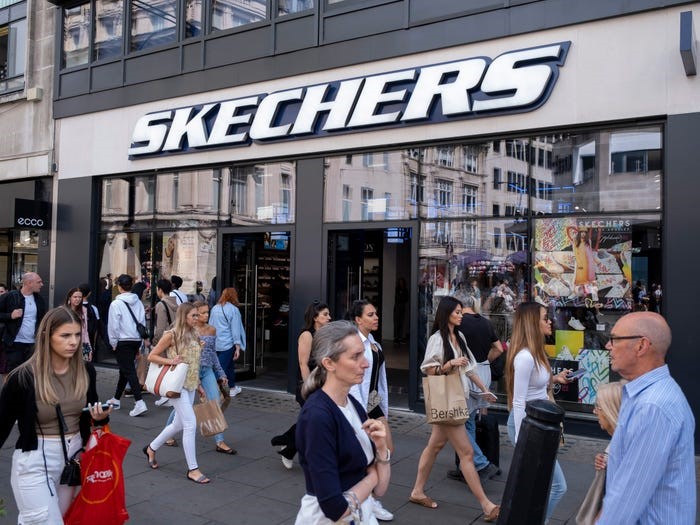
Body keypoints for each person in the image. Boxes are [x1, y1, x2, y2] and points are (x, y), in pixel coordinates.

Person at [0, 306, 111, 523]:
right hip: (34, 460)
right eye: (65, 335)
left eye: (77, 335)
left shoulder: (86, 371)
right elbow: (2, 425)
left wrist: (100, 417)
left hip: (73, 459)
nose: (74, 342)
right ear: (47, 336)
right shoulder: (23, 377)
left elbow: (91, 411)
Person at [597, 312, 695, 524]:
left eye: (614, 339)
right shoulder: (645, 395)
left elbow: (627, 498)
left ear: (641, 346)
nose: (608, 346)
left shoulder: (653, 406)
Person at [409, 296, 500, 521]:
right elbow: (428, 369)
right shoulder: (437, 339)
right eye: (457, 312)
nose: (461, 315)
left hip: (454, 399)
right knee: (467, 453)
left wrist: (484, 390)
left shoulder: (459, 336)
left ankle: (417, 491)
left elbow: (470, 368)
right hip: (448, 401)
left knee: (435, 446)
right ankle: (487, 505)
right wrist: (449, 364)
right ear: (446, 313)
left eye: (461, 312)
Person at [295, 320, 391, 524]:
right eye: (355, 356)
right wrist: (372, 477)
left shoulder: (353, 404)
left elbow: (381, 490)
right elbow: (335, 509)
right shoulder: (317, 417)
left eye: (363, 354)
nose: (365, 363)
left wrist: (382, 449)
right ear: (329, 363)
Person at [505, 302, 571, 523]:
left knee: (534, 484)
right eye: (545, 317)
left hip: (539, 424)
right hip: (528, 425)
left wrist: (555, 379)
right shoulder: (525, 357)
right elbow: (518, 401)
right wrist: (521, 439)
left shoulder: (536, 352)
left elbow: (536, 385)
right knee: (558, 486)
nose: (550, 321)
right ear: (533, 322)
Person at [144, 303, 211, 484]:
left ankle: (151, 448)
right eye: (193, 315)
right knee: (190, 424)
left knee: (177, 424)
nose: (197, 318)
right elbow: (152, 356)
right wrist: (170, 361)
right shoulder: (171, 334)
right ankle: (193, 469)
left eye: (197, 315)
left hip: (190, 384)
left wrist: (198, 385)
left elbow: (194, 363)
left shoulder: (194, 333)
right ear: (184, 316)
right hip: (176, 385)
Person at [447, 294, 503, 482]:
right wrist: (484, 361)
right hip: (483, 373)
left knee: (458, 423)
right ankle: (466, 466)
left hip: (467, 374)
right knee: (469, 420)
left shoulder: (458, 323)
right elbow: (499, 348)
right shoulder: (485, 323)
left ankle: (481, 463)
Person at [270, 300, 331, 469]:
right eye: (325, 314)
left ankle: (287, 443)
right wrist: (309, 389)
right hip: (307, 386)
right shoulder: (307, 335)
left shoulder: (324, 335)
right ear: (315, 317)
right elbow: (303, 364)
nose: (329, 317)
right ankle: (290, 447)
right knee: (314, 421)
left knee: (312, 421)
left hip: (322, 384)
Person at [348, 299, 394, 522]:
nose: (376, 317)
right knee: (369, 454)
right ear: (358, 319)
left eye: (375, 314)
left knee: (386, 450)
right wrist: (360, 412)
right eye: (370, 315)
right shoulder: (355, 344)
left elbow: (379, 378)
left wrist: (382, 407)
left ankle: (368, 498)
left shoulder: (374, 343)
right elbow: (354, 381)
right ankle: (367, 500)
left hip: (374, 403)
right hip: (362, 405)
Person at [106, 274, 149, 417]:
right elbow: (142, 322)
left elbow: (113, 326)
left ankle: (139, 402)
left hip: (122, 341)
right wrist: (140, 342)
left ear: (119, 287)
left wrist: (113, 342)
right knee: (125, 370)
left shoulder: (116, 304)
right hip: (135, 339)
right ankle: (116, 399)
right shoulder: (138, 302)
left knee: (129, 371)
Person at [0, 272, 47, 374]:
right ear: (29, 283)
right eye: (39, 282)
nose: (42, 284)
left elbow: (42, 319)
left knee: (30, 374)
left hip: (33, 344)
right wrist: (10, 316)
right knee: (14, 374)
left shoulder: (39, 299)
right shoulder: (10, 296)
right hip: (14, 344)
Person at [209, 287, 246, 397]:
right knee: (221, 369)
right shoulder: (233, 310)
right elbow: (236, 330)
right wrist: (238, 347)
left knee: (229, 366)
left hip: (216, 343)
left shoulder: (215, 308)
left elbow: (211, 325)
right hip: (227, 344)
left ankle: (232, 387)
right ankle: (211, 391)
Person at [152, 279, 180, 408]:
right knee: (171, 367)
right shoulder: (176, 303)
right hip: (175, 339)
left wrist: (155, 342)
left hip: (165, 339)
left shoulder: (161, 304)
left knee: (163, 368)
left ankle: (165, 395)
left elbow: (160, 328)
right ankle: (170, 394)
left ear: (160, 290)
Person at [65, 288, 93, 362]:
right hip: (67, 344)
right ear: (69, 298)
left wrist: (89, 348)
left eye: (80, 297)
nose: (78, 299)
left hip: (80, 344)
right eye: (75, 297)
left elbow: (85, 331)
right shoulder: (63, 310)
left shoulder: (84, 310)